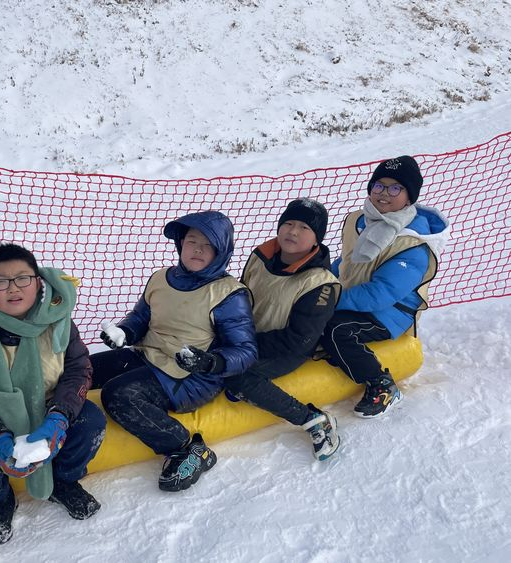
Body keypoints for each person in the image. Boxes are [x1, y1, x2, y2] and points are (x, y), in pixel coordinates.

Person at [0, 243, 105, 546]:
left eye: (22, 278)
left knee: (91, 425)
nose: (13, 288)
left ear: (38, 282)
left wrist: (60, 416)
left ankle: (63, 481)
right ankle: (0, 501)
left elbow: (78, 370)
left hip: (50, 406)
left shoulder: (58, 320)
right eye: (1, 281)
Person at [91, 210, 257, 492]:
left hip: (190, 377)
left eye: (207, 244)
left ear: (220, 251)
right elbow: (140, 318)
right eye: (192, 241)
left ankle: (186, 447)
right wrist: (125, 333)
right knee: (87, 368)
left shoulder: (228, 294)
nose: (197, 249)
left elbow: (245, 350)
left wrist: (210, 362)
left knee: (118, 395)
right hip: (147, 355)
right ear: (181, 243)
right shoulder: (161, 278)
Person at [318, 155, 450, 417]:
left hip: (390, 311)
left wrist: (331, 301)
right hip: (353, 293)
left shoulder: (413, 243)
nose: (384, 193)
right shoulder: (360, 220)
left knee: (336, 329)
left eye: (395, 188)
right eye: (379, 185)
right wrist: (320, 285)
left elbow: (381, 294)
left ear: (409, 197)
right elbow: (345, 262)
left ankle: (381, 383)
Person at [224, 198, 342, 461]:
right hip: (246, 335)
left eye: (304, 228)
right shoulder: (261, 256)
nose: (293, 231)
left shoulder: (320, 284)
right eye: (288, 223)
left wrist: (244, 347)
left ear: (317, 239)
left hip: (286, 349)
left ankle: (312, 419)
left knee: (237, 375)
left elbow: (299, 340)